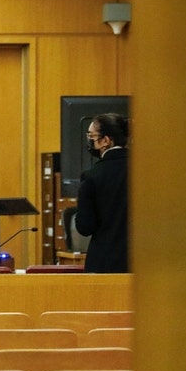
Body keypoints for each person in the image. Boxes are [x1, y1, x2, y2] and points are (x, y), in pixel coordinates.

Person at [75, 112, 130, 273]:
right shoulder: (147, 170)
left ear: (106, 140)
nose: (90, 140)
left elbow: (85, 227)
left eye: (92, 136)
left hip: (105, 262)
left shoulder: (92, 175)